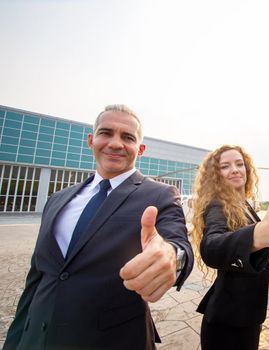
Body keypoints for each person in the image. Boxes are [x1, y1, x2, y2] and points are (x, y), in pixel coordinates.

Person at [3, 104, 193, 350]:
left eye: (128, 137)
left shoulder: (160, 195)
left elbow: (177, 243)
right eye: (106, 133)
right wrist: (15, 340)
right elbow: (37, 277)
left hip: (112, 340)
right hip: (35, 339)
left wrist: (171, 257)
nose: (116, 143)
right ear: (91, 140)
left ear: (141, 149)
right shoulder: (57, 200)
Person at [191, 145, 269, 350]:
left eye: (239, 164)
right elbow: (211, 247)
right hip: (228, 321)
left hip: (247, 313)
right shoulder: (217, 205)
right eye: (225, 166)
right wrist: (257, 234)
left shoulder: (243, 203)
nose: (235, 169)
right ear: (216, 176)